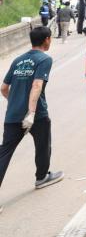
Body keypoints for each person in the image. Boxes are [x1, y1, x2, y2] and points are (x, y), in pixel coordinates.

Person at [0, 26, 63, 189]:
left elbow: (3, 88)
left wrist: (16, 103)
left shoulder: (17, 60)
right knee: (43, 144)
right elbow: (37, 85)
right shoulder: (44, 59)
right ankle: (41, 177)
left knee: (4, 153)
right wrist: (31, 113)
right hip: (36, 114)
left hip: (12, 115)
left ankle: (42, 176)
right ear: (47, 40)